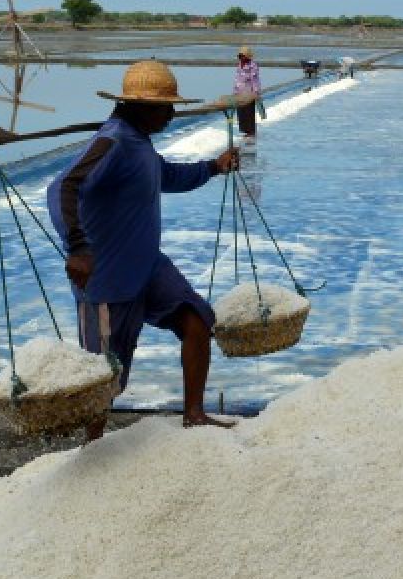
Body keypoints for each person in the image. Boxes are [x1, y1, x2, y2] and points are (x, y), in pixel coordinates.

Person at [46, 60, 239, 441]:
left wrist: (214, 168)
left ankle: (195, 414)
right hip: (108, 281)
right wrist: (79, 247)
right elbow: (63, 187)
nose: (171, 114)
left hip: (149, 267)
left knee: (197, 321)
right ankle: (92, 448)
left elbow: (166, 176)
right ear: (139, 106)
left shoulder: (139, 143)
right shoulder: (113, 141)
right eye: (166, 107)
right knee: (105, 379)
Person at [233, 46, 263, 137]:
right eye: (240, 55)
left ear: (247, 56)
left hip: (249, 92)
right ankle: (245, 131)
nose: (241, 57)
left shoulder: (253, 65)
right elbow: (237, 79)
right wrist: (235, 90)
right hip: (240, 92)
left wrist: (256, 92)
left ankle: (251, 132)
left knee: (249, 112)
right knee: (241, 112)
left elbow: (255, 79)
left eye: (243, 55)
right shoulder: (239, 65)